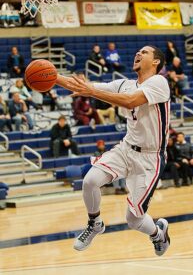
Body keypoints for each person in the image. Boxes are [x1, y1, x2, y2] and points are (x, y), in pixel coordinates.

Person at [56, 45, 171, 256]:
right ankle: (95, 223)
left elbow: (130, 101)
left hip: (150, 157)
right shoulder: (124, 84)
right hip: (126, 148)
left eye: (144, 52)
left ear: (156, 62)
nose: (138, 53)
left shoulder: (159, 82)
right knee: (90, 181)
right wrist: (52, 76)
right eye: (138, 51)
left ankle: (157, 233)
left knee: (133, 219)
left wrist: (91, 91)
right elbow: (85, 85)